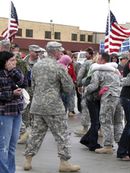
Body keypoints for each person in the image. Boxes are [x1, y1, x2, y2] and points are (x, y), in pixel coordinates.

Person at [23, 41, 80, 172]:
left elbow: (34, 85)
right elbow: (68, 88)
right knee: (62, 135)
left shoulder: (37, 65)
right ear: (55, 52)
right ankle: (64, 163)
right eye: (60, 51)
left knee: (36, 134)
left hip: (37, 105)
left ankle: (28, 160)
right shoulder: (59, 67)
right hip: (54, 106)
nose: (61, 53)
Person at [0, 51, 25, 173]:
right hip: (4, 113)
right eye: (11, 60)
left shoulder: (16, 71)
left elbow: (23, 82)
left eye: (15, 60)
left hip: (17, 111)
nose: (14, 62)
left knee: (12, 146)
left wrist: (12, 70)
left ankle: (11, 170)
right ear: (4, 62)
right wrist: (12, 94)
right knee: (3, 146)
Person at [18, 45, 42, 144]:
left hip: (37, 91)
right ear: (30, 51)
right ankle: (24, 133)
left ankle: (33, 134)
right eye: (36, 52)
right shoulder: (23, 62)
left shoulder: (41, 63)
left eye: (38, 52)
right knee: (24, 111)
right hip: (26, 90)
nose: (37, 54)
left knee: (35, 113)